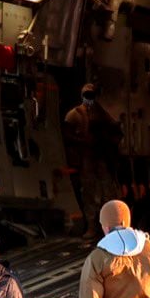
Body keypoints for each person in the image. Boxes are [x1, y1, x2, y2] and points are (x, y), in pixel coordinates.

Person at [64, 83, 124, 236]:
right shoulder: (76, 114)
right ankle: (91, 226)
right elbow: (67, 134)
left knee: (107, 194)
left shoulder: (103, 114)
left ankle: (107, 226)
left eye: (92, 95)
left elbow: (116, 132)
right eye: (87, 95)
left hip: (102, 159)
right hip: (87, 158)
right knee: (89, 194)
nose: (89, 99)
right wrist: (83, 141)